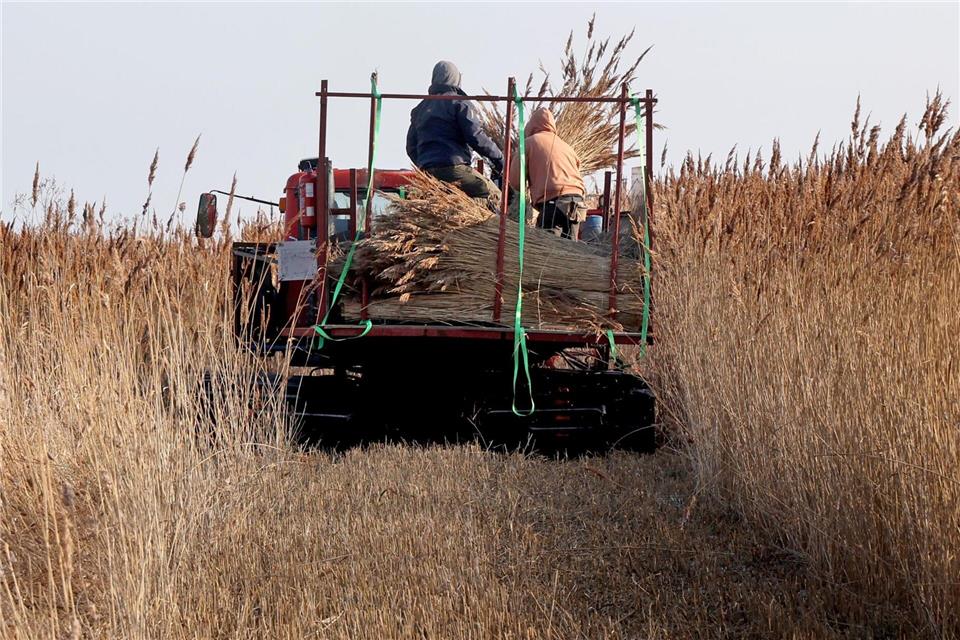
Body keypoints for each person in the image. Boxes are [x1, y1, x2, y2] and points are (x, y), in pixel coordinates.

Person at [406, 61, 503, 200]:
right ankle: (477, 219)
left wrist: (425, 164)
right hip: (454, 168)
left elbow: (410, 147)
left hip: (427, 173)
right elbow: (476, 137)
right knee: (493, 195)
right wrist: (499, 158)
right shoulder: (460, 103)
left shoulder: (420, 109)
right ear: (456, 79)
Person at [508, 107, 587, 240]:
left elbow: (516, 182)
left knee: (547, 247)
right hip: (577, 202)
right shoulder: (567, 147)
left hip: (553, 201)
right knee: (571, 250)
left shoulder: (528, 143)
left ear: (531, 126)